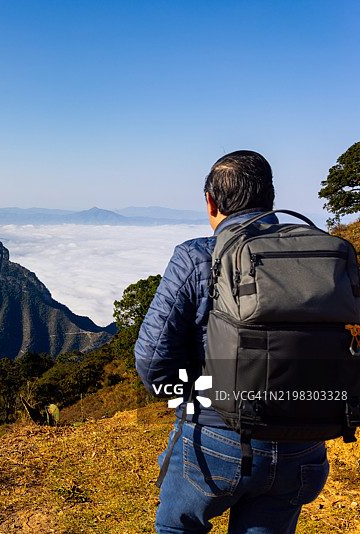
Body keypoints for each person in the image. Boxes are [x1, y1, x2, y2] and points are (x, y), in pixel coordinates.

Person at [134, 150, 330, 534]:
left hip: (216, 436)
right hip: (304, 445)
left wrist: (189, 395)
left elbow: (152, 361)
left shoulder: (196, 257)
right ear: (270, 197)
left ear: (210, 201)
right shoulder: (317, 253)